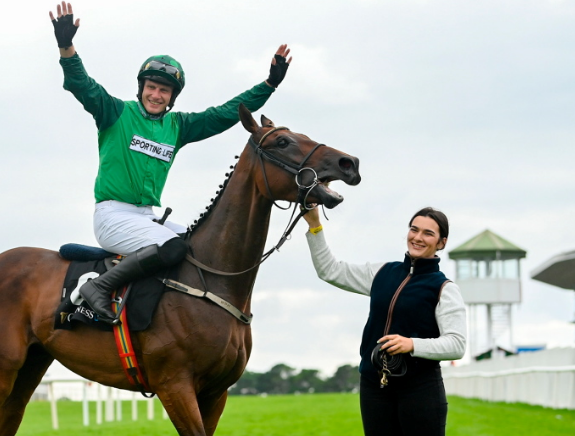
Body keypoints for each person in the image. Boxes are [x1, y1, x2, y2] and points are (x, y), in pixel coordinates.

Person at [49, 2, 292, 324]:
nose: (156, 95)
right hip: (113, 216)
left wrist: (269, 85)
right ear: (141, 89)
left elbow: (224, 113)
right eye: (151, 88)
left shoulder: (178, 126)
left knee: (199, 244)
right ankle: (97, 288)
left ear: (172, 96)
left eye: (164, 90)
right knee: (175, 248)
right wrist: (66, 47)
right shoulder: (115, 112)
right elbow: (82, 84)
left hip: (148, 217)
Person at [303, 206, 467, 436]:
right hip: (374, 387)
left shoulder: (444, 289)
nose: (418, 238)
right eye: (414, 229)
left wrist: (412, 344)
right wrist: (314, 226)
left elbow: (457, 344)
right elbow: (330, 271)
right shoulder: (382, 272)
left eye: (428, 233)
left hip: (420, 391)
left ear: (441, 242)